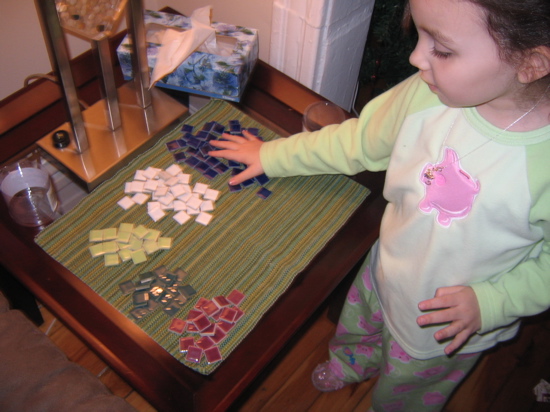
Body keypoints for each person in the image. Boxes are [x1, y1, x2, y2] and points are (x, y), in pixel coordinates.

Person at [210, 0, 550, 409]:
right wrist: (272, 155)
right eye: (419, 33)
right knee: (356, 330)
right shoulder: (425, 91)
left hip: (442, 326)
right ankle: (351, 363)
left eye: (441, 49)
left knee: (403, 395)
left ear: (530, 64)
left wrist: (493, 302)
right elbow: (357, 141)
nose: (415, 57)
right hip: (383, 268)